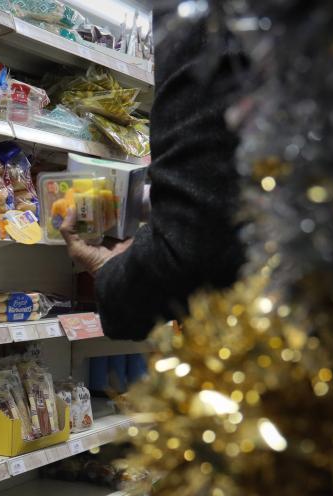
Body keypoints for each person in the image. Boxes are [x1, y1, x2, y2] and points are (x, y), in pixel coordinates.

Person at [60, 10, 246, 341]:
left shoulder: (198, 12)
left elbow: (196, 239)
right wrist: (155, 207)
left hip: (283, 339)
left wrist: (110, 271)